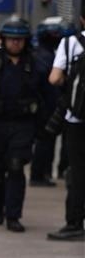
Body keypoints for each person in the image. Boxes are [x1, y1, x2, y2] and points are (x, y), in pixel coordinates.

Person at [0, 17, 54, 232]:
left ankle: (13, 215)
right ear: (4, 39)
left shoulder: (37, 66)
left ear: (26, 41)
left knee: (16, 167)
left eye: (20, 39)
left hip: (23, 125)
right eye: (11, 39)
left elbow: (49, 98)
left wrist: (44, 127)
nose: (15, 43)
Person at [46, 13, 85, 241]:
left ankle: (74, 223)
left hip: (76, 119)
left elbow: (54, 78)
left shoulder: (70, 43)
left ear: (82, 19)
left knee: (78, 173)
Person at [28, 18, 67, 187]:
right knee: (45, 140)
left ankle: (43, 173)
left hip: (41, 105)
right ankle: (39, 175)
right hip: (46, 106)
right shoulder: (48, 57)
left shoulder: (37, 54)